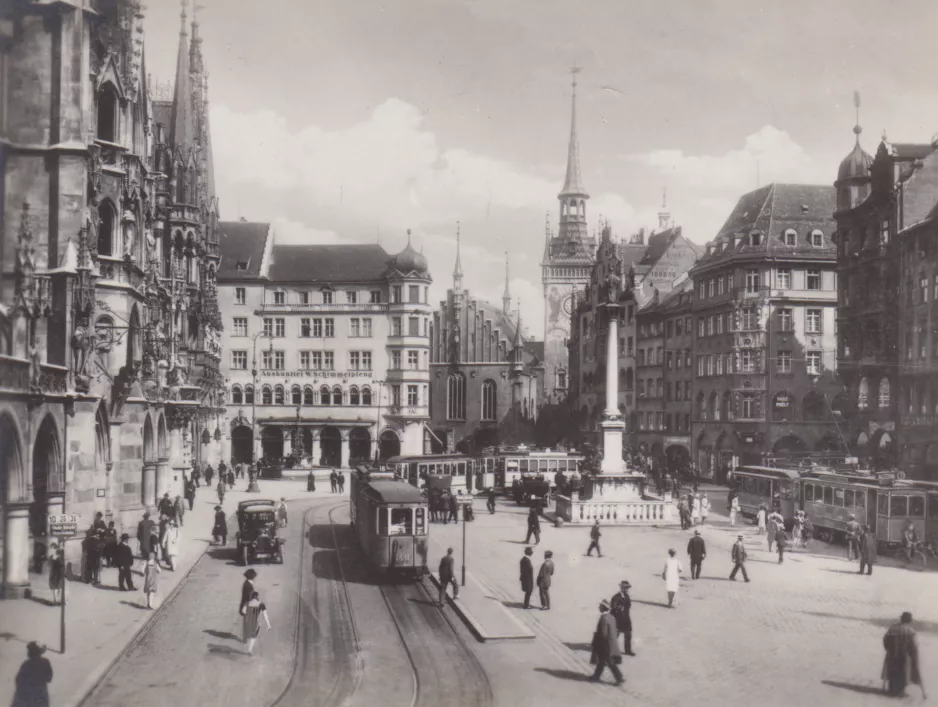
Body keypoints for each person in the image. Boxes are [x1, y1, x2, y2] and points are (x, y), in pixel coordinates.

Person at [882, 612, 925, 698]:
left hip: (892, 655)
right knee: (903, 674)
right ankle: (900, 692)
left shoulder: (892, 629)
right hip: (904, 656)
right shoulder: (910, 631)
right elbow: (913, 646)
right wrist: (914, 657)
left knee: (892, 672)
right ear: (909, 621)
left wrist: (889, 650)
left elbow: (885, 641)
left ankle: (892, 690)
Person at [589, 600, 624, 686]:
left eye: (600, 606)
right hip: (611, 643)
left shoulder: (603, 618)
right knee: (601, 661)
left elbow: (603, 633)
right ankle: (596, 676)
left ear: (603, 608)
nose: (599, 607)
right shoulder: (611, 617)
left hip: (604, 644)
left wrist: (596, 642)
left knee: (609, 662)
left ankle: (619, 678)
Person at [11, 641, 53, 707]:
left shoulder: (26, 664)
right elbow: (49, 678)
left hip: (28, 696)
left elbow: (18, 680)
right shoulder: (45, 662)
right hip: (41, 694)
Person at [609, 580, 635, 656]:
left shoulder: (626, 596)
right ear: (621, 588)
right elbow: (613, 607)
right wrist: (619, 608)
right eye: (626, 588)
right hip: (618, 619)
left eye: (627, 588)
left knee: (628, 634)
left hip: (626, 619)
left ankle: (628, 650)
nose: (627, 589)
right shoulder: (616, 597)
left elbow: (628, 606)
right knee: (615, 635)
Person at [242, 591, 271, 657]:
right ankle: (249, 650)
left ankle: (246, 640)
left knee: (249, 635)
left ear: (252, 597)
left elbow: (243, 611)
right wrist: (268, 625)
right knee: (253, 637)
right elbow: (265, 615)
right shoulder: (261, 604)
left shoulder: (247, 603)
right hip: (255, 624)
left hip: (248, 624)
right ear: (257, 597)